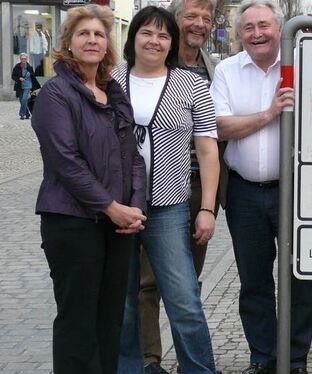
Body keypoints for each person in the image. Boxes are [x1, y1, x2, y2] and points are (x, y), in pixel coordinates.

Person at [30, 4, 147, 373]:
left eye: (99, 34)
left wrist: (135, 208)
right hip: (72, 222)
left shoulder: (113, 92)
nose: (92, 40)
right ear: (69, 42)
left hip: (119, 226)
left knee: (110, 320)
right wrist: (112, 207)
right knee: (78, 321)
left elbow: (135, 157)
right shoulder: (55, 94)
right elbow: (66, 162)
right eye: (84, 34)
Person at [113, 6, 220, 374]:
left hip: (168, 207)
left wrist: (206, 208)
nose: (154, 41)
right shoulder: (111, 79)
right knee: (123, 302)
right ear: (133, 37)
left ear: (171, 43)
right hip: (117, 208)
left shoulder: (192, 84)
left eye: (163, 35)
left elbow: (207, 149)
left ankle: (200, 369)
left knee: (184, 300)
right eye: (147, 33)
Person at [210, 0, 312, 373]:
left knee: (300, 278)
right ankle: (264, 358)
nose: (257, 33)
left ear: (280, 28)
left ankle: (296, 358)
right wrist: (270, 114)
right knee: (253, 281)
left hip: (296, 191)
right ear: (239, 34)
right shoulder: (226, 70)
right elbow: (219, 126)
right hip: (245, 193)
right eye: (249, 27)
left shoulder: (304, 63)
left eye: (264, 26)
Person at [12, 52, 41, 120]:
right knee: (21, 100)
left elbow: (33, 75)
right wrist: (19, 78)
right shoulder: (17, 67)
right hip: (20, 86)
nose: (23, 60)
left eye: (25, 59)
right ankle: (27, 114)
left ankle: (22, 114)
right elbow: (13, 76)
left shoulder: (29, 67)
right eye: (22, 59)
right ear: (20, 59)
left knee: (24, 99)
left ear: (27, 59)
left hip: (28, 85)